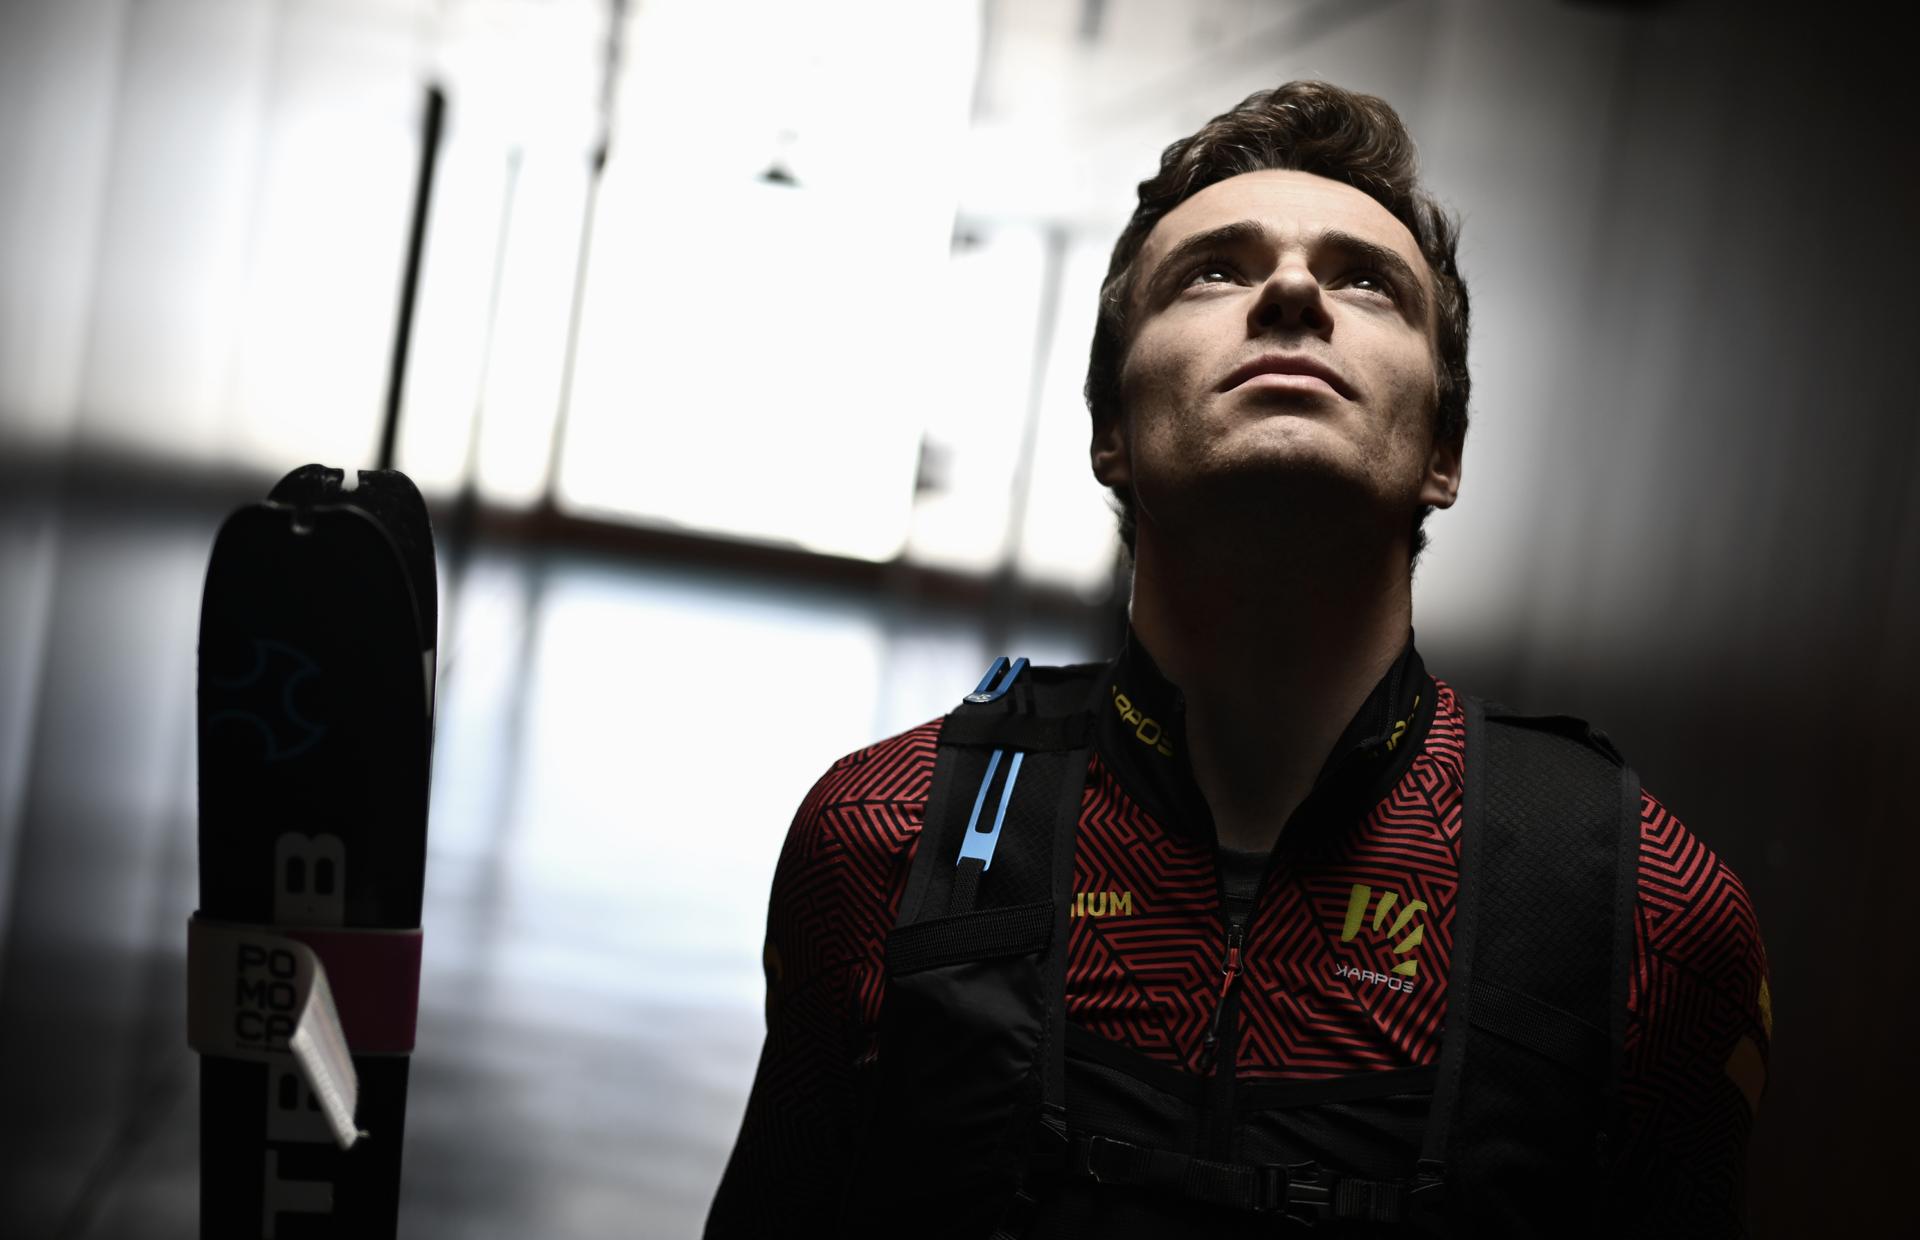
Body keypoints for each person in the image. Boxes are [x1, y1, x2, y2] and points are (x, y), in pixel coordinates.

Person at [705, 81, 1769, 1238]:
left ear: (1444, 453)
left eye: (1368, 280)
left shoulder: (1645, 909)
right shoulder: (888, 836)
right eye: (1214, 269)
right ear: (1110, 432)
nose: (1296, 290)